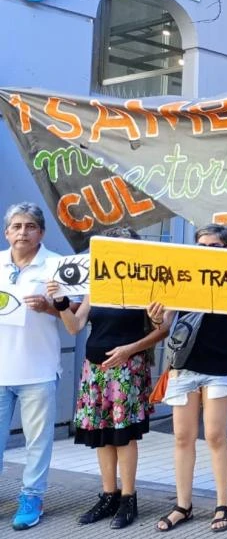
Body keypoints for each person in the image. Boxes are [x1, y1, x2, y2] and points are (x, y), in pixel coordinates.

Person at [45, 226, 169, 529]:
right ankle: (108, 494)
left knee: (123, 435)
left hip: (127, 368)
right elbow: (74, 326)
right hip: (95, 369)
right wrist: (61, 302)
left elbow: (161, 329)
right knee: (102, 434)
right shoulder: (95, 286)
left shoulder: (145, 284)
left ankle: (129, 498)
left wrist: (129, 350)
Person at [149, 224, 227, 533]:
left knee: (215, 436)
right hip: (184, 366)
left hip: (220, 366)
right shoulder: (181, 274)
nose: (207, 249)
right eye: (202, 244)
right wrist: (155, 315)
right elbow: (165, 320)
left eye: (215, 245)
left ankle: (224, 504)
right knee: (182, 437)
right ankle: (183, 504)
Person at [0, 203, 61, 531]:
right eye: (16, 226)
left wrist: (51, 308)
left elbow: (74, 318)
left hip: (37, 369)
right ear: (7, 232)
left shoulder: (55, 266)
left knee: (37, 441)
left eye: (30, 226)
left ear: (41, 232)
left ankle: (32, 497)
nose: (22, 232)